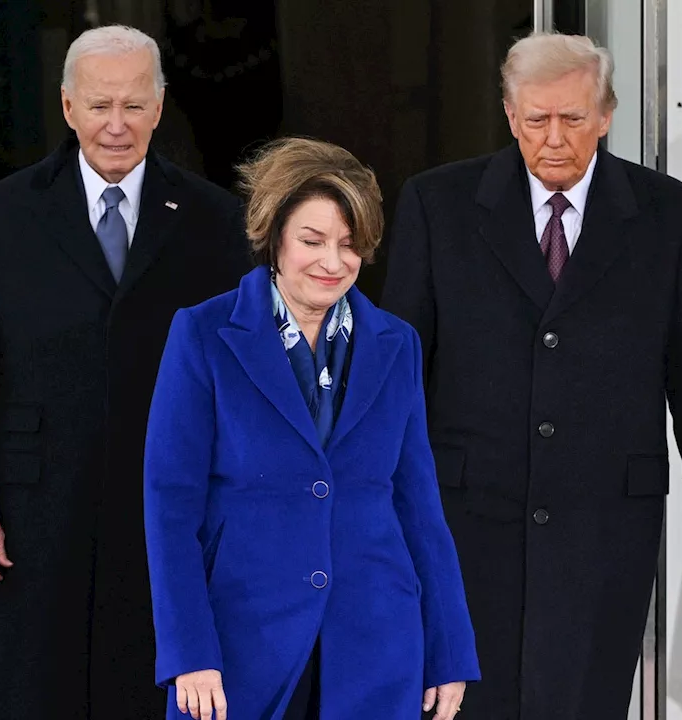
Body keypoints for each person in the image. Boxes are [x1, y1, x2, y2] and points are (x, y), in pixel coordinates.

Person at [380, 31, 682, 719]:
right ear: (509, 112)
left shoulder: (666, 213)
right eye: (535, 120)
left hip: (605, 521)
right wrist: (378, 509)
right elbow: (395, 375)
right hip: (469, 519)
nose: (554, 138)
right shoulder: (438, 206)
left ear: (607, 114)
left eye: (573, 119)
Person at [0, 25, 252, 719]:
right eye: (100, 105)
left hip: (169, 500)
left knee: (153, 680)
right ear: (67, 106)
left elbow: (238, 376)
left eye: (134, 105)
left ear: (161, 107)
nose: (117, 125)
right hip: (36, 505)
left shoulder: (215, 217)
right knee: (38, 687)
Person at [143, 137, 480, 720]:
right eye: (312, 240)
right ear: (273, 237)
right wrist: (188, 651)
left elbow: (419, 506)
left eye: (350, 245)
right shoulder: (203, 334)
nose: (333, 262)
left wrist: (449, 650)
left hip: (377, 639)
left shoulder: (396, 343)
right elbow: (170, 507)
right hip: (242, 642)